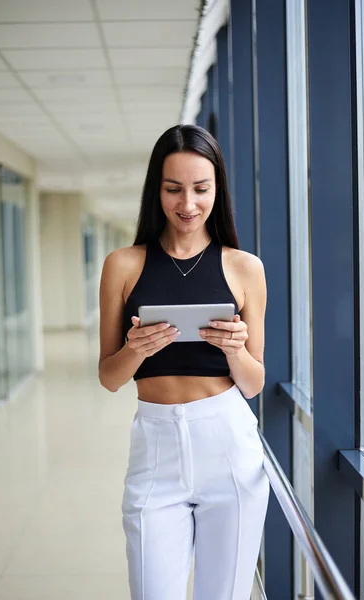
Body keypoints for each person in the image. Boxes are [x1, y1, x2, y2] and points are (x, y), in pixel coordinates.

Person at [98, 124, 269, 600]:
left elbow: (253, 383)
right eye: (174, 189)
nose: (188, 204)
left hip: (228, 444)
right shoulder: (123, 265)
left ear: (218, 189)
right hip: (155, 447)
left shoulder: (244, 267)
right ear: (157, 191)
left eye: (201, 189)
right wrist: (136, 349)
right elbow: (109, 377)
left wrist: (235, 349)